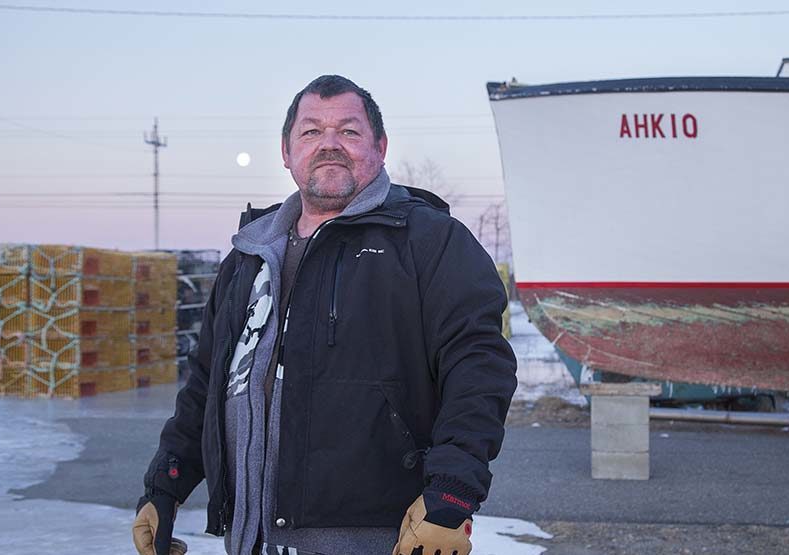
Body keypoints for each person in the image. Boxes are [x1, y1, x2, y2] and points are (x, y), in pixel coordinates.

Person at [132, 74, 518, 555]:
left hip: (380, 539)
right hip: (252, 539)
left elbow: (479, 367)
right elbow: (208, 381)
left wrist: (452, 493)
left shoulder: (430, 242)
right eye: (311, 131)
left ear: (380, 145)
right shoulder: (249, 255)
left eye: (349, 132)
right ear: (286, 150)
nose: (329, 145)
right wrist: (166, 484)